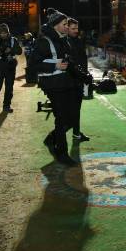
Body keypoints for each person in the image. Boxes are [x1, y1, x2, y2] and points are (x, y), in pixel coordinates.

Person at [30, 10, 79, 165]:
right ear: (55, 25)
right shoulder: (44, 41)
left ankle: (52, 138)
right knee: (62, 118)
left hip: (65, 82)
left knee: (71, 118)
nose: (67, 26)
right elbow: (33, 65)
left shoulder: (63, 39)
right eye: (64, 24)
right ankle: (62, 153)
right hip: (52, 85)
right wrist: (55, 65)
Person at [0, 23, 22, 114]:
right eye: (1, 33)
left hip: (10, 67)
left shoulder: (13, 40)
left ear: (8, 32)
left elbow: (20, 51)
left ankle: (6, 106)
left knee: (9, 88)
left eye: (5, 33)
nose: (3, 35)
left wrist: (11, 50)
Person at [67, 18, 90, 142]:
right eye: (73, 28)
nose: (76, 31)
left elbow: (83, 59)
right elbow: (70, 64)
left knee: (77, 109)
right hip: (69, 81)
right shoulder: (65, 42)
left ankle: (76, 133)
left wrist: (86, 73)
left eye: (77, 28)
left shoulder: (79, 41)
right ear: (67, 28)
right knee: (70, 112)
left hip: (79, 79)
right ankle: (53, 137)